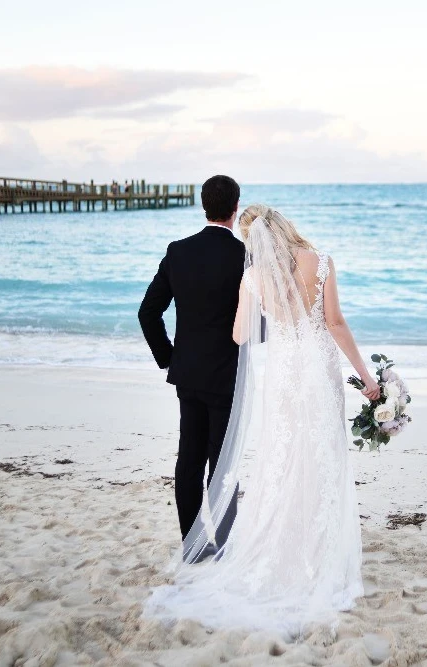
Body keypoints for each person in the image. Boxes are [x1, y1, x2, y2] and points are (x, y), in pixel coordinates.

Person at [143, 203, 381, 637]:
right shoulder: (321, 261)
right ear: (285, 225)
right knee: (323, 455)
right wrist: (365, 376)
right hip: (318, 368)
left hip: (285, 374)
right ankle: (320, 551)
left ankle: (282, 548)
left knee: (283, 457)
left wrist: (271, 319)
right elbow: (336, 323)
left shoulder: (254, 277)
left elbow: (239, 334)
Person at [139, 175, 245, 549]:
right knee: (222, 462)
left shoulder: (178, 251)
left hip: (187, 372)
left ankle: (191, 543)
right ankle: (225, 542)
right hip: (225, 375)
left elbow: (147, 313)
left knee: (190, 457)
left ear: (204, 206)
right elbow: (253, 324)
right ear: (236, 208)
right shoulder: (243, 257)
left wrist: (168, 357)